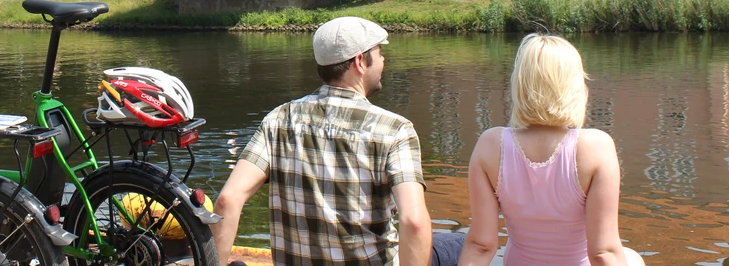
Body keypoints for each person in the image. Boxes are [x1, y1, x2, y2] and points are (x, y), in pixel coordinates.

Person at [211, 16, 465, 266]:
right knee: (459, 245)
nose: (383, 60)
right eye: (377, 53)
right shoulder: (395, 130)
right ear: (359, 62)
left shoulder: (278, 119)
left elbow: (227, 200)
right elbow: (414, 222)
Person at [458, 34, 644, 266]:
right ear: (575, 86)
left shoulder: (490, 144)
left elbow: (481, 245)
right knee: (632, 258)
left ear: (520, 84)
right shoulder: (596, 146)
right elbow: (603, 252)